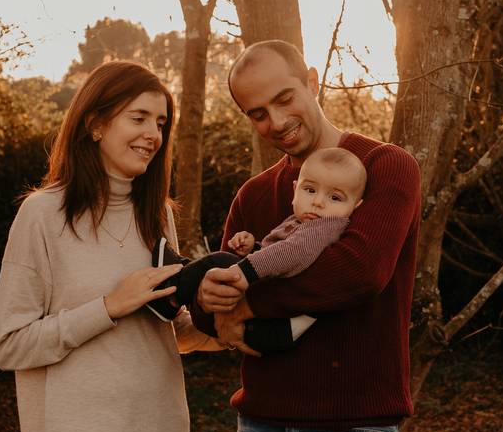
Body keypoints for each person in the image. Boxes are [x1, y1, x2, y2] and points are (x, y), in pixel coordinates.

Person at [188, 40, 422, 432]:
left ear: (312, 81)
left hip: (353, 429)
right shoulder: (253, 195)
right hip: (261, 428)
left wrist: (249, 300)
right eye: (258, 114)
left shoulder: (386, 167)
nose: (276, 122)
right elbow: (220, 317)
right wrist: (208, 299)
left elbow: (358, 271)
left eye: (284, 99)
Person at [0, 61, 222, 432]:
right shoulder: (43, 215)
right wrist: (108, 307)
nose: (153, 134)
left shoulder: (157, 214)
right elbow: (9, 346)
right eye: (139, 118)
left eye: (162, 123)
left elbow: (165, 332)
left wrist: (225, 325)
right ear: (95, 124)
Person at [148, 147, 367, 355]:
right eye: (310, 190)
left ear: (356, 206)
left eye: (335, 197)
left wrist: (245, 270)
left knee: (221, 262)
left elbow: (293, 253)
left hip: (276, 326)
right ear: (295, 190)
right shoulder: (302, 222)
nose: (318, 202)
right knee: (220, 275)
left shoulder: (325, 227)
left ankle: (173, 288)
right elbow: (278, 254)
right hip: (272, 324)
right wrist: (253, 248)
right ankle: (179, 291)